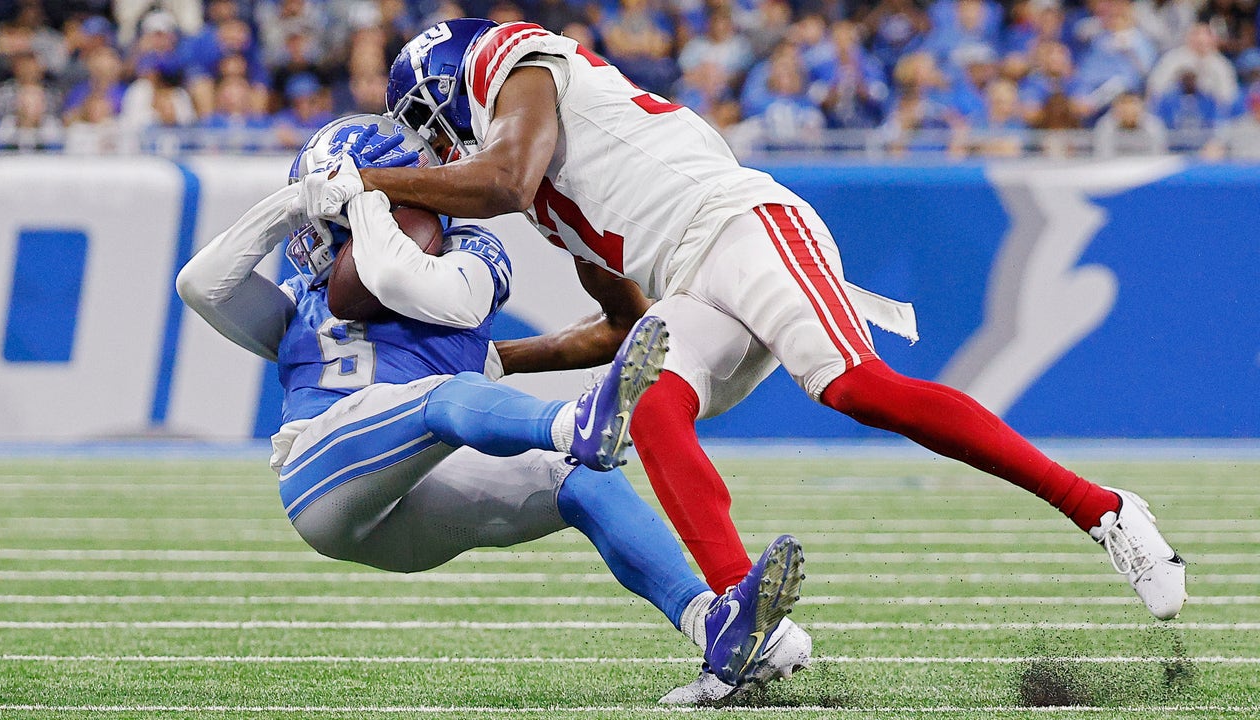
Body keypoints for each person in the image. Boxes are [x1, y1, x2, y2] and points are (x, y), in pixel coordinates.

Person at [298, 20, 1187, 701]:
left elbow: (495, 177)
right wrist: (501, 360)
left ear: (454, 80)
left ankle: (1104, 510)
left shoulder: (513, 64)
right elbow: (620, 327)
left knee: (857, 388)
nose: (427, 143)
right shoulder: (543, 199)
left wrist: (369, 184)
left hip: (744, 224)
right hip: (691, 276)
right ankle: (741, 627)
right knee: (645, 405)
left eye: (425, 117)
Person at [178, 113, 805, 700]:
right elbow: (201, 285)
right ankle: (571, 424)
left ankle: (715, 630)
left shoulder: (470, 255)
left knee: (582, 483)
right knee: (437, 398)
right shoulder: (296, 304)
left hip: (424, 494)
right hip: (324, 482)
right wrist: (293, 203)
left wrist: (366, 200)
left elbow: (408, 286)